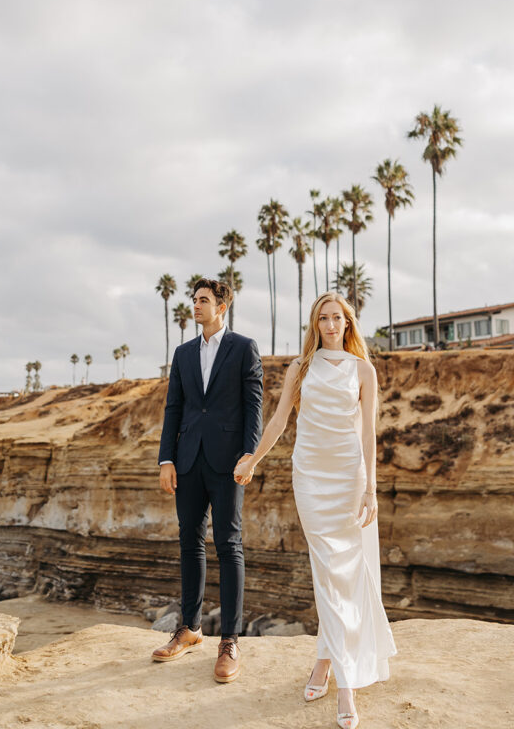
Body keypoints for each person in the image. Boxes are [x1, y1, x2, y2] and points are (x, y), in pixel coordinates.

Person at [234, 291, 395, 729]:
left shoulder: (364, 370)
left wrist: (372, 490)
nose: (329, 324)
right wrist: (253, 458)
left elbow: (368, 434)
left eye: (336, 318)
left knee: (340, 576)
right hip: (310, 478)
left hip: (348, 479)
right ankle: (341, 676)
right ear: (314, 324)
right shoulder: (300, 368)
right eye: (322, 318)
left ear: (348, 323)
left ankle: (333, 672)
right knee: (328, 573)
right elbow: (280, 420)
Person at [153, 278, 263, 684]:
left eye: (203, 300)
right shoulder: (183, 353)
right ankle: (190, 628)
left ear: (222, 306)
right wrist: (167, 459)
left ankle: (230, 640)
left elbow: (255, 404)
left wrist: (249, 455)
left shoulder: (243, 348)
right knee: (188, 541)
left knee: (229, 544)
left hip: (229, 461)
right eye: (194, 300)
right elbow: (174, 408)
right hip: (187, 460)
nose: (196, 306)